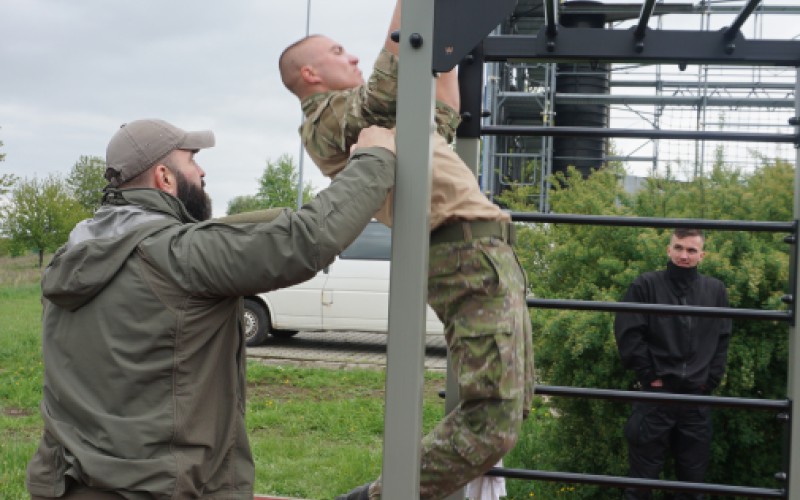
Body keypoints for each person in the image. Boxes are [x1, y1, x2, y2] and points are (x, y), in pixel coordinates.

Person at [26, 118, 398, 499]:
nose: (202, 172)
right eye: (192, 161)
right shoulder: (177, 254)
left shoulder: (70, 256)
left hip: (69, 485)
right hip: (158, 488)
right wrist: (375, 157)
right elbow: (306, 240)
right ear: (164, 177)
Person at [279, 1, 535, 498]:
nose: (353, 57)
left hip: (484, 254)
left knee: (513, 405)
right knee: (492, 422)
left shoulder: (385, 121)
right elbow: (384, 86)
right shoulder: (326, 121)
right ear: (309, 74)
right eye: (338, 52)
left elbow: (442, 115)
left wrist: (448, 47)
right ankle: (380, 497)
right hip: (462, 256)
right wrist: (411, 12)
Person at [614, 228, 732, 500]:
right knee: (641, 483)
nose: (684, 255)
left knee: (692, 485)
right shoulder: (646, 285)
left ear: (702, 255)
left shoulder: (715, 291)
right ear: (668, 250)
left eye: (691, 250)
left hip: (696, 399)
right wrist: (649, 375)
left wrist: (710, 380)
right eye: (679, 248)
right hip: (657, 397)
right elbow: (628, 333)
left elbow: (723, 338)